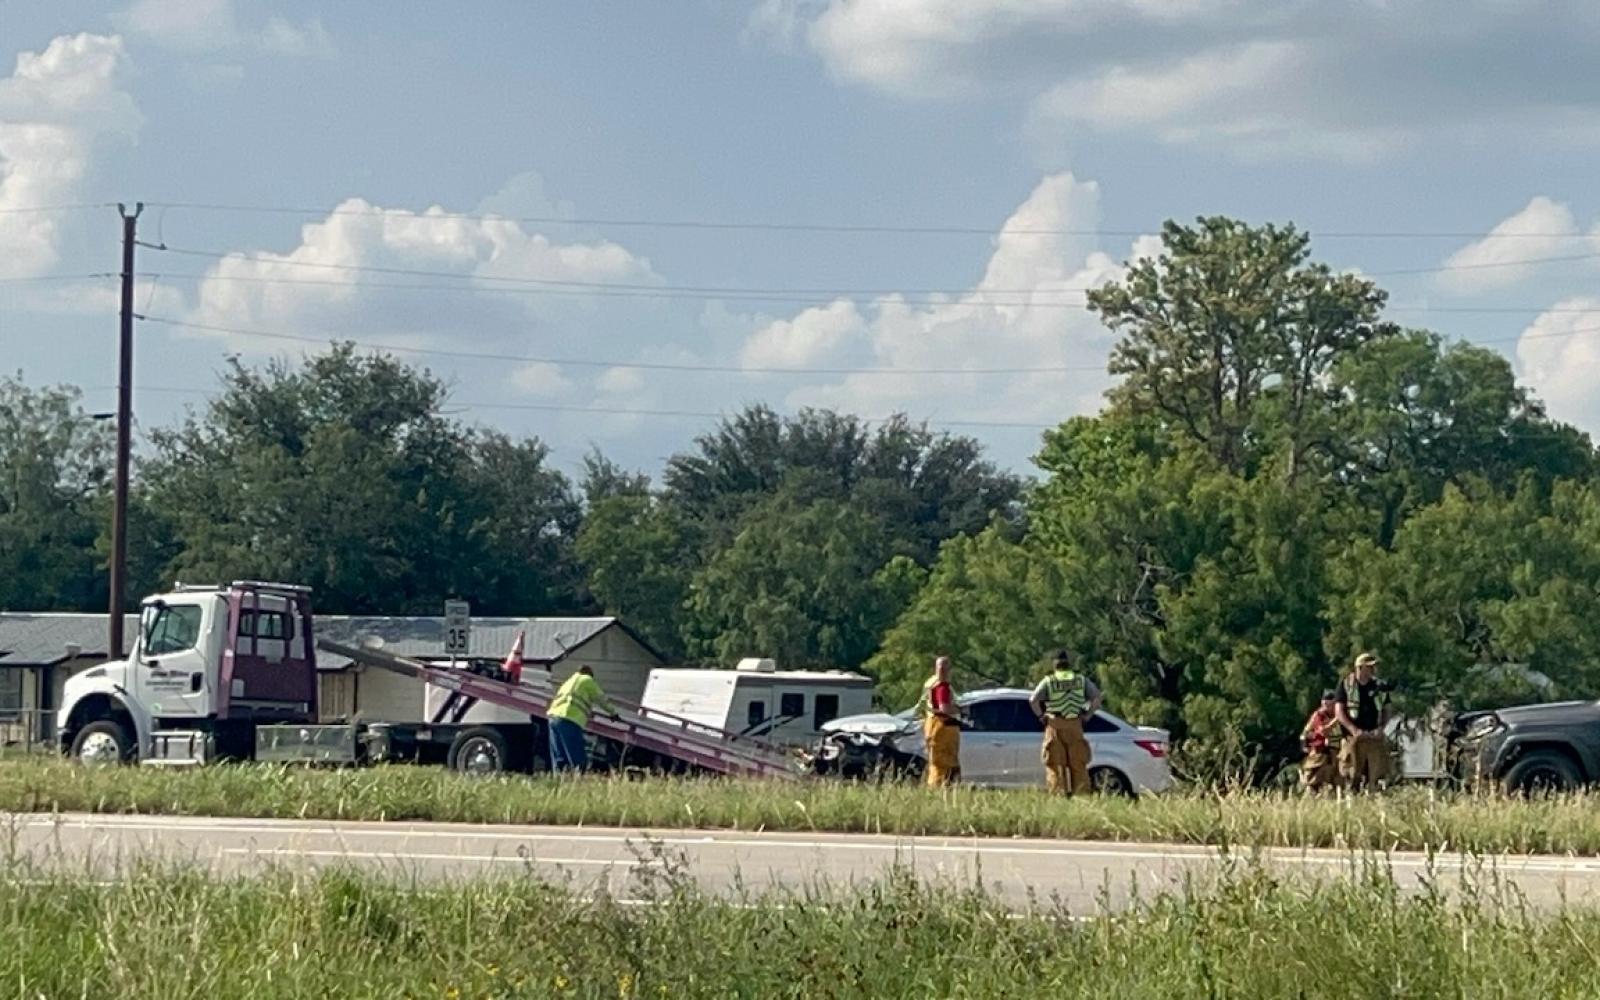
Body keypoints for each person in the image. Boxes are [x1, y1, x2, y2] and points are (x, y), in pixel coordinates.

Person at [1030, 650, 1102, 795]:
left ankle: (1058, 794)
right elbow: (1097, 698)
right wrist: (1087, 715)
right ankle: (1081, 794)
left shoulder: (1049, 680)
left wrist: (1041, 716)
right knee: (1078, 762)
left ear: (1055, 665)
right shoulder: (1080, 679)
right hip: (1075, 724)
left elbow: (1033, 700)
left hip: (1055, 723)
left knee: (1055, 763)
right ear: (1069, 664)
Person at [1334, 653, 1391, 792]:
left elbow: (1387, 709)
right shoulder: (1346, 684)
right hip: (1353, 739)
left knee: (1376, 774)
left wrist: (1381, 728)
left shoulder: (1378, 686)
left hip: (1373, 738)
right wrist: (1353, 730)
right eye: (1369, 666)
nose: (1373, 669)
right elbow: (1339, 712)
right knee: (1351, 774)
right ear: (1360, 667)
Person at [546, 665, 618, 773]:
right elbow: (601, 698)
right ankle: (578, 778)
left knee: (559, 755)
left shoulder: (568, 682)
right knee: (576, 755)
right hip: (570, 719)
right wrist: (613, 712)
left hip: (553, 718)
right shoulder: (587, 680)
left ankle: (559, 781)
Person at [918, 656, 962, 786]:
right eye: (942, 668)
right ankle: (941, 787)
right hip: (941, 726)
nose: (943, 671)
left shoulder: (931, 682)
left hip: (932, 724)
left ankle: (938, 785)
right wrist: (959, 710)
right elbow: (944, 708)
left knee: (937, 761)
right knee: (945, 762)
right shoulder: (942, 686)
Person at [1299, 690, 1343, 791]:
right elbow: (1309, 732)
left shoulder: (1341, 714)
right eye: (1325, 704)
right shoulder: (1319, 715)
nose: (1326, 707)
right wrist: (1306, 745)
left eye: (1329, 704)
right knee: (1312, 777)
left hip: (1339, 750)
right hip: (1320, 750)